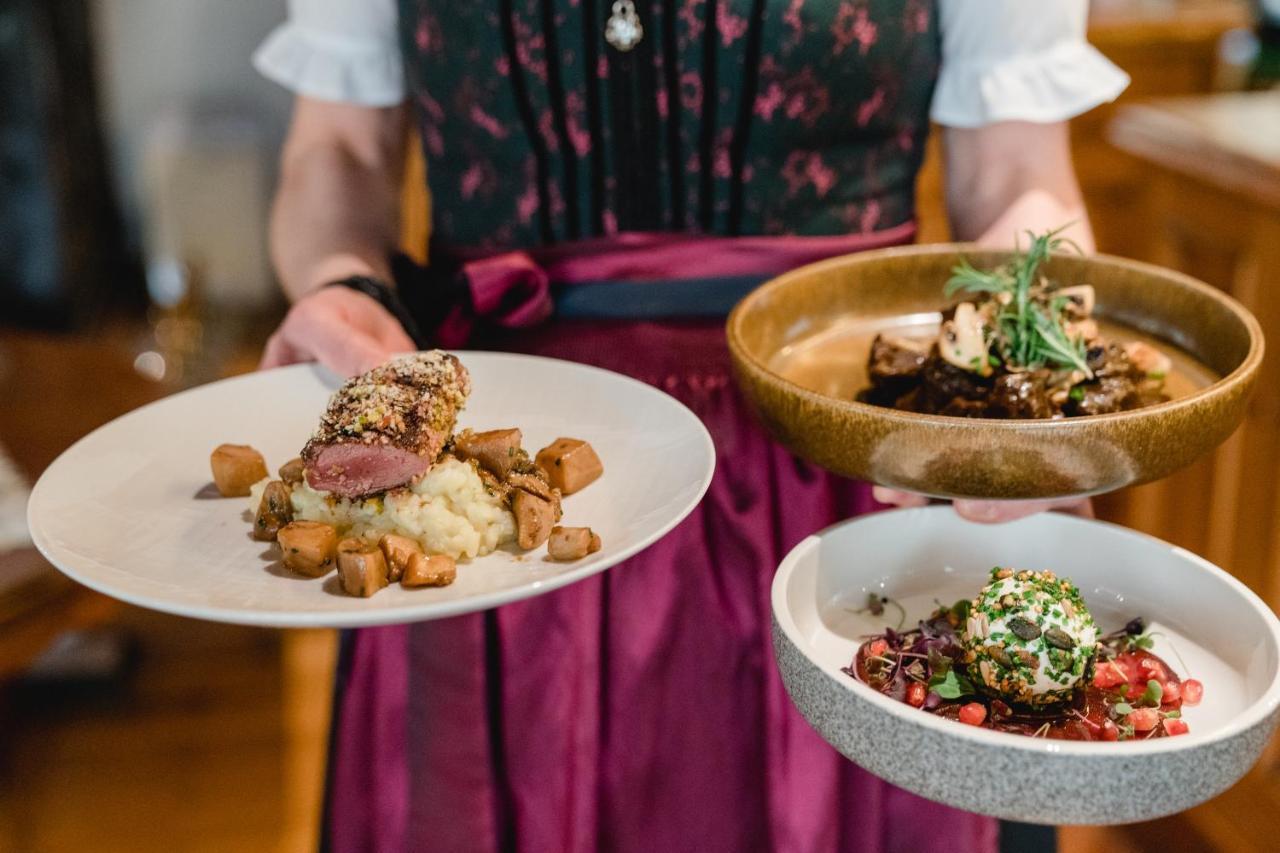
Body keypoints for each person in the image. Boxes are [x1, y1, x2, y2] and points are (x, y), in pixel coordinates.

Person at [254, 1, 1127, 850]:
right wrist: (341, 281)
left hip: (849, 469)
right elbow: (340, 147)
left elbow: (1013, 170)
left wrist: (1041, 376)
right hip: (498, 498)